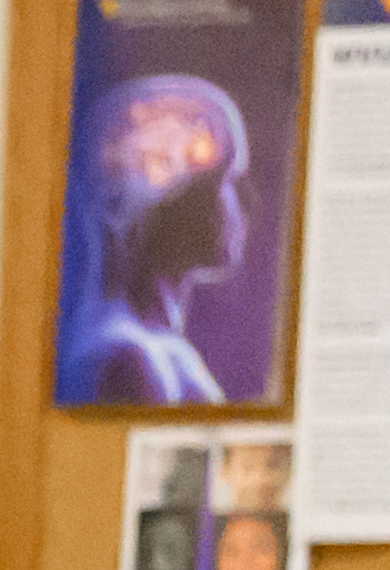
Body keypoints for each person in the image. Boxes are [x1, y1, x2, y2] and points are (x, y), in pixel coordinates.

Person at [60, 74, 256, 409]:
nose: (241, 204)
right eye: (220, 181)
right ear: (168, 201)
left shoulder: (154, 348)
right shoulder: (127, 355)